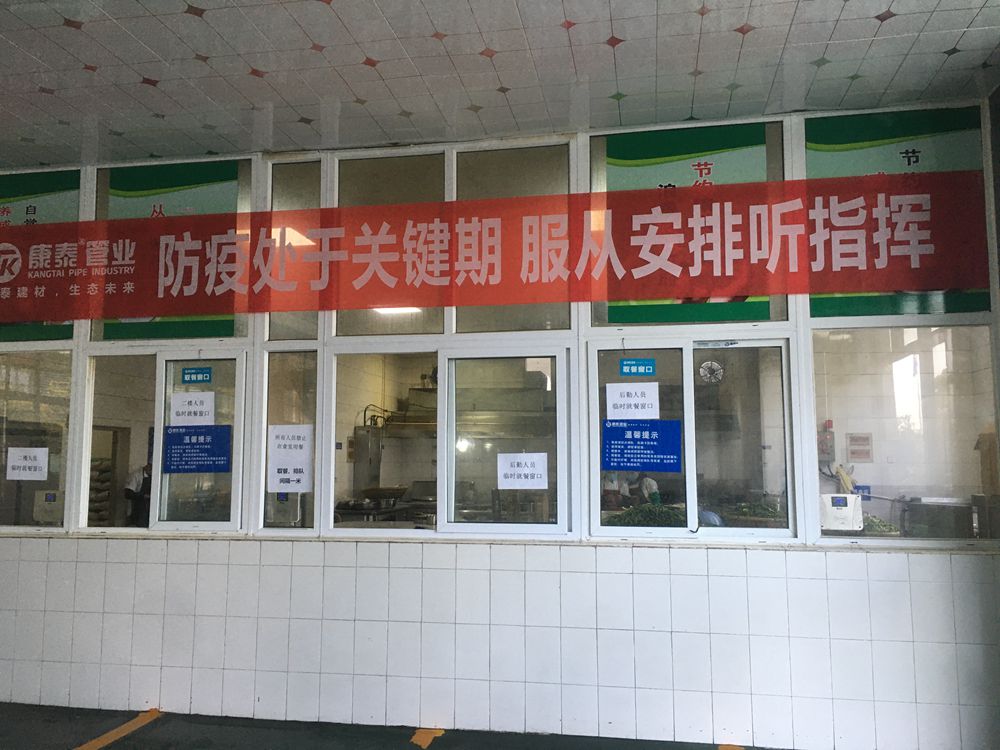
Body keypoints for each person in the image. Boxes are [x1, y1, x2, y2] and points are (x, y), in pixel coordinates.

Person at [124, 462, 151, 527]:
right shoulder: (136, 475)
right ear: (147, 466)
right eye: (150, 468)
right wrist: (143, 496)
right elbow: (128, 494)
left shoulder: (155, 477)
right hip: (138, 509)